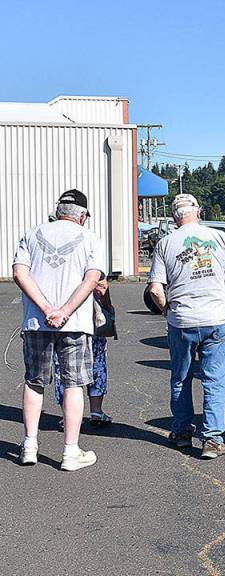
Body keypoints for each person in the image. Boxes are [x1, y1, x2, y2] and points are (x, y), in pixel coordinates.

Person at [12, 189, 106, 471]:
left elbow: (19, 272)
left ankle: (29, 445)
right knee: (74, 383)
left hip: (37, 322)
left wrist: (45, 308)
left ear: (58, 211)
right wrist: (64, 310)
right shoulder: (90, 239)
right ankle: (70, 451)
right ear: (82, 216)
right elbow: (93, 279)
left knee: (34, 381)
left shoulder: (33, 233)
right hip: (75, 322)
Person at [146, 194, 225, 459]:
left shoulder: (165, 243)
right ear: (198, 211)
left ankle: (181, 432)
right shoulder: (219, 237)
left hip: (182, 321)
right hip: (216, 319)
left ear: (174, 217)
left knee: (181, 378)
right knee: (214, 380)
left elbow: (155, 289)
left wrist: (166, 309)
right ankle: (212, 440)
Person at [53, 278, 116, 425]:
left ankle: (68, 416)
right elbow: (102, 289)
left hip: (63, 323)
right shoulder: (91, 261)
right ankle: (96, 412)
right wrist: (108, 308)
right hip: (90, 323)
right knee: (96, 364)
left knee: (63, 369)